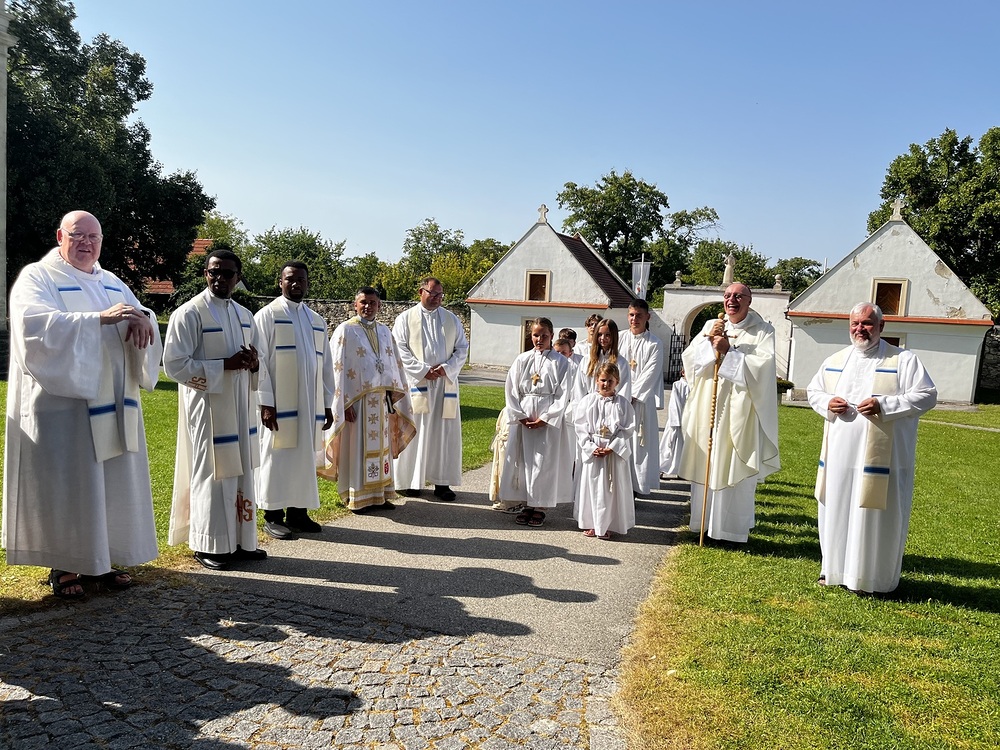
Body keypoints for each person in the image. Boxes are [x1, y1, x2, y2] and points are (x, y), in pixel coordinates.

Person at [3, 210, 160, 599]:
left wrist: (142, 318)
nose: (87, 243)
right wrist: (96, 321)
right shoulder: (37, 277)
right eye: (78, 235)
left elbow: (139, 314)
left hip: (112, 405)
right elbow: (34, 327)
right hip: (65, 410)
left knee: (108, 483)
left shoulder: (111, 281)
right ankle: (66, 565)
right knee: (74, 485)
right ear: (61, 236)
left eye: (94, 237)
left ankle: (103, 561)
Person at [807, 303, 937, 593]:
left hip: (882, 459)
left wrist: (885, 404)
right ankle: (834, 570)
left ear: (881, 326)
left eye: (867, 323)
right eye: (855, 323)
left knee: (875, 514)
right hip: (841, 456)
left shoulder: (904, 360)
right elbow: (815, 391)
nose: (860, 329)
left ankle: (873, 578)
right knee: (838, 506)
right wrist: (827, 403)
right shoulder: (835, 360)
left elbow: (927, 395)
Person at [165, 249, 266, 571]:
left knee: (241, 471)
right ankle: (207, 543)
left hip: (239, 405)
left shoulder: (244, 315)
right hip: (208, 407)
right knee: (212, 472)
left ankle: (240, 540)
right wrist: (224, 365)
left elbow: (256, 358)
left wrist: (253, 365)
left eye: (227, 273)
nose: (219, 278)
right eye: (213, 272)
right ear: (206, 274)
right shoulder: (189, 313)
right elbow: (173, 365)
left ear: (238, 277)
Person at [679, 283, 780, 543]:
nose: (731, 300)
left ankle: (729, 531)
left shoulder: (763, 331)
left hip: (740, 410)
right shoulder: (711, 324)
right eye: (727, 296)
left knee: (731, 462)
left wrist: (729, 351)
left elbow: (763, 369)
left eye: (737, 296)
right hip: (709, 406)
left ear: (749, 301)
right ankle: (701, 524)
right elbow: (689, 360)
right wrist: (708, 343)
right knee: (708, 462)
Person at [254, 262, 335, 540]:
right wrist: (265, 401)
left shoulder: (316, 320)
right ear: (280, 282)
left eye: (301, 279)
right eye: (291, 279)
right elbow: (259, 361)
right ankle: (273, 515)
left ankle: (298, 513)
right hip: (279, 404)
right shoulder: (267, 316)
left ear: (307, 283)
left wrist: (326, 403)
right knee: (276, 457)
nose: (296, 284)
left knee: (303, 457)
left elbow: (325, 365)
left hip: (309, 404)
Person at [318, 288, 416, 512]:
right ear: (355, 305)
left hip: (380, 402)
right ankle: (357, 497)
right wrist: (345, 403)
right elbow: (336, 369)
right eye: (363, 302)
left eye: (372, 302)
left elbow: (394, 365)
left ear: (379, 306)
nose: (368, 306)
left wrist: (393, 394)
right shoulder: (345, 331)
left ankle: (379, 496)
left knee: (381, 449)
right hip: (357, 403)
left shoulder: (385, 331)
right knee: (357, 449)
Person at [391, 277, 468, 502]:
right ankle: (412, 482)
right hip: (418, 384)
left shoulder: (451, 319)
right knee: (416, 430)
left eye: (440, 295)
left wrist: (446, 368)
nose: (436, 299)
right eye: (432, 294)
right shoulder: (405, 319)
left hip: (445, 385)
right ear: (420, 292)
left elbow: (462, 347)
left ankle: (442, 482)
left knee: (443, 434)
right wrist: (423, 370)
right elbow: (399, 348)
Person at [499, 317, 574, 526]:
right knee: (523, 461)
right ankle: (526, 503)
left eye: (544, 335)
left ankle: (540, 506)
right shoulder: (522, 360)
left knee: (544, 462)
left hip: (546, 416)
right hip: (524, 413)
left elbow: (563, 393)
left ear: (552, 336)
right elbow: (511, 389)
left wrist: (546, 418)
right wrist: (520, 415)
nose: (539, 339)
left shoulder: (561, 362)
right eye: (535, 335)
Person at [573, 362, 636, 540]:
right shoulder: (588, 401)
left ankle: (607, 524)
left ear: (617, 382)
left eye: (610, 381)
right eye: (602, 380)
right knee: (592, 487)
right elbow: (580, 427)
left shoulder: (623, 404)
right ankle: (592, 523)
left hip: (612, 452)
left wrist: (612, 447)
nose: (606, 384)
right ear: (596, 380)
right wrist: (591, 447)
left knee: (610, 490)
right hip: (594, 450)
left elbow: (628, 429)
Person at [618, 299, 664, 495]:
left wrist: (631, 395)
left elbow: (650, 373)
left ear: (647, 317)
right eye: (631, 315)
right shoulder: (619, 338)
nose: (634, 319)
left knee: (639, 446)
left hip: (640, 404)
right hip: (617, 400)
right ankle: (619, 486)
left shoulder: (655, 343)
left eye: (638, 315)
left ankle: (635, 488)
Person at [658, 369, 689, 479]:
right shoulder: (678, 385)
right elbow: (674, 403)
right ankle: (661, 468)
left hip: (689, 423)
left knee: (685, 449)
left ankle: (682, 470)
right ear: (682, 372)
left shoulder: (695, 385)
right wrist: (676, 421)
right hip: (677, 421)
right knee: (669, 447)